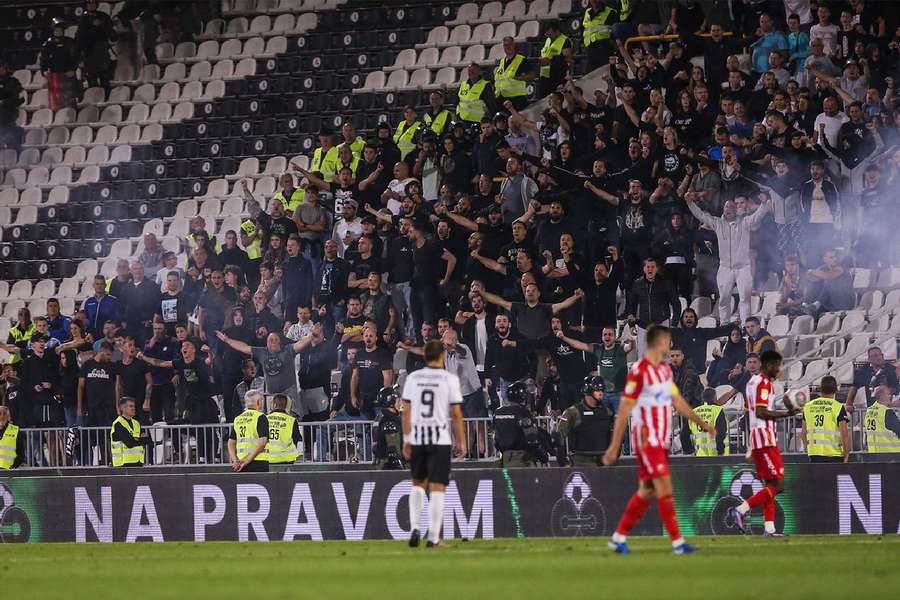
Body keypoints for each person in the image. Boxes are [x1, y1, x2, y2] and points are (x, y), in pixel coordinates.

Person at [604, 325, 715, 555]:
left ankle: (617, 537)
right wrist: (615, 445)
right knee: (664, 487)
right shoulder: (639, 370)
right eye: (667, 340)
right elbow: (625, 408)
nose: (670, 344)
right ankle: (677, 543)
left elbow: (678, 401)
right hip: (648, 440)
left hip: (661, 440)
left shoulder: (664, 370)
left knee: (647, 490)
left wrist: (701, 422)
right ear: (658, 342)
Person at [402, 340, 467, 548]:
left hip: (418, 436)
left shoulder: (413, 378)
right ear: (441, 356)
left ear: (424, 355)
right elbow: (455, 413)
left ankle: (414, 528)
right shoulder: (449, 379)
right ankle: (433, 537)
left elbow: (407, 411)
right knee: (437, 487)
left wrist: (407, 439)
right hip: (439, 438)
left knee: (418, 483)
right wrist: (462, 441)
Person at [687, 195, 771, 324]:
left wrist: (764, 203)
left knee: (744, 299)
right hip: (725, 267)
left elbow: (758, 215)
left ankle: (745, 325)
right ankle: (724, 325)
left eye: (732, 206)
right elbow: (701, 215)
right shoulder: (717, 223)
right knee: (724, 299)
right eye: (727, 206)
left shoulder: (745, 223)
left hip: (743, 267)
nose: (729, 208)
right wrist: (690, 203)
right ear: (723, 209)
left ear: (736, 210)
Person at [215, 331, 308, 414]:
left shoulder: (288, 350)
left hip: (289, 396)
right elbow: (243, 347)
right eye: (270, 340)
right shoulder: (262, 352)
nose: (273, 342)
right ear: (267, 343)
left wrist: (311, 335)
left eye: (276, 339)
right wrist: (227, 340)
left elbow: (300, 344)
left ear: (280, 342)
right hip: (271, 397)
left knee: (291, 424)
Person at [558, 376, 613, 467]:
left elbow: (614, 434)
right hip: (581, 461)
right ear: (588, 390)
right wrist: (561, 457)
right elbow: (559, 434)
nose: (601, 393)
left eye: (602, 390)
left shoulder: (607, 412)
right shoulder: (573, 412)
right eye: (597, 389)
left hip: (604, 460)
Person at [801, 375, 850, 463]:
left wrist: (808, 450)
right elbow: (844, 434)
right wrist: (846, 455)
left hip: (814, 454)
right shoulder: (838, 407)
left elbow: (803, 433)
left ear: (820, 389)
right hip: (834, 454)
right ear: (835, 389)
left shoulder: (808, 406)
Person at [492, 380, 539, 467]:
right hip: (522, 459)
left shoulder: (497, 412)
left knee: (506, 480)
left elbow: (496, 438)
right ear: (523, 397)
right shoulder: (522, 411)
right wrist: (541, 454)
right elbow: (531, 438)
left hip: (504, 459)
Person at [228, 390, 269, 472]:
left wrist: (235, 460)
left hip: (240, 463)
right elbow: (263, 442)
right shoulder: (260, 417)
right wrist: (247, 460)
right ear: (258, 402)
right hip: (258, 461)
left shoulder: (238, 418)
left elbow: (231, 442)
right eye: (261, 400)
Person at [683, 388, 729, 456]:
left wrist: (689, 450)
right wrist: (720, 451)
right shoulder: (717, 410)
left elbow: (683, 435)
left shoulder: (694, 412)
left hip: (700, 456)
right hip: (716, 456)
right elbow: (720, 433)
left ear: (703, 398)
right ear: (715, 397)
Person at [109, 397, 148, 468]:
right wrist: (139, 439)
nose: (133, 408)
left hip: (138, 462)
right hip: (122, 464)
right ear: (123, 408)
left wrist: (136, 440)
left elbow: (147, 440)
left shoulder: (136, 423)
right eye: (130, 406)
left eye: (134, 406)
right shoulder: (118, 424)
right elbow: (129, 443)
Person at [538, 20, 573, 97]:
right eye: (546, 33)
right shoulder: (548, 40)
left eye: (550, 33)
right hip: (545, 75)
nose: (547, 35)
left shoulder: (565, 40)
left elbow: (568, 58)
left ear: (557, 31)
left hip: (557, 76)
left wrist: (550, 60)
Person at [373, 385, 405, 470]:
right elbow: (393, 449)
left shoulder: (382, 417)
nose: (400, 403)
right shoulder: (389, 421)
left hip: (384, 464)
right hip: (390, 467)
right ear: (390, 403)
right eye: (398, 401)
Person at [266, 393, 301, 465]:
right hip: (286, 459)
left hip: (267, 458)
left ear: (274, 404)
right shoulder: (292, 420)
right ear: (286, 406)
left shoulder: (265, 419)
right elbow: (296, 439)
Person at [864, 386, 900, 453]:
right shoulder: (886, 412)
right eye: (888, 394)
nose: (891, 396)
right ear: (882, 396)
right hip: (890, 454)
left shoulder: (869, 411)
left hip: (873, 453)